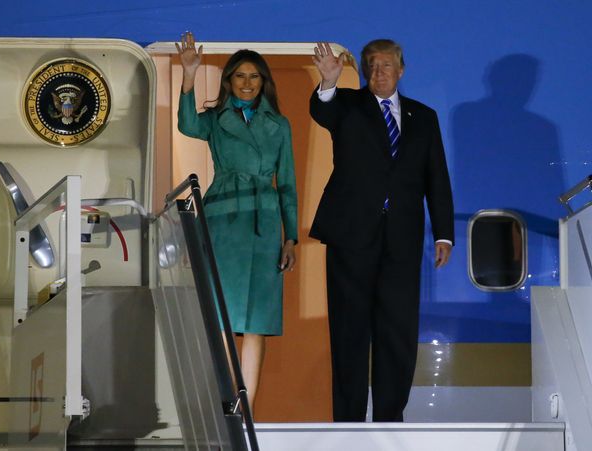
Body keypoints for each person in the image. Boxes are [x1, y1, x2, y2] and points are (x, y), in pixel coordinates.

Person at [309, 40, 454, 422]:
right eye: (372, 66)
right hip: (351, 237)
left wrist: (443, 233)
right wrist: (327, 81)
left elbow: (436, 177)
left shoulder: (425, 117)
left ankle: (391, 419)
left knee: (398, 333)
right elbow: (322, 110)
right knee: (349, 332)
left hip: (402, 241)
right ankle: (349, 424)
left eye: (386, 66)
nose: (379, 72)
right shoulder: (346, 106)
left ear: (401, 70)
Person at [176, 32, 298, 414]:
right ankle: (224, 404)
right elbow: (186, 125)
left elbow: (288, 183)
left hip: (264, 223)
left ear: (264, 82)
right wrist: (189, 77)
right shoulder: (215, 120)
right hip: (224, 221)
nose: (247, 83)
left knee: (257, 322)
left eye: (254, 76)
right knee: (224, 318)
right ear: (229, 82)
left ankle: (246, 410)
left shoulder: (279, 125)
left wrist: (291, 237)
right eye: (240, 76)